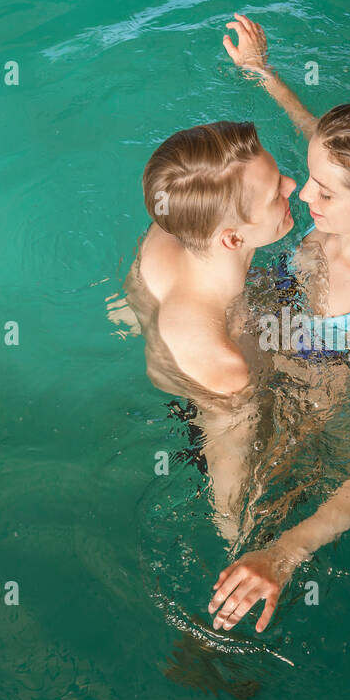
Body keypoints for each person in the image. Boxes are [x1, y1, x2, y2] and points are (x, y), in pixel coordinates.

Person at [208, 13, 350, 633]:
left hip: (315, 387)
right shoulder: (340, 202)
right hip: (269, 329)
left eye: (325, 193)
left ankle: (227, 644)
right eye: (310, 178)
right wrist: (264, 72)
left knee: (246, 521)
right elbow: (316, 133)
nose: (303, 197)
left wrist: (286, 553)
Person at [123, 120, 297, 541]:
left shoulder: (165, 232)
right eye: (277, 192)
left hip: (183, 329)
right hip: (202, 403)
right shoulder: (226, 364)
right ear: (232, 240)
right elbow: (231, 488)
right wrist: (244, 544)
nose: (293, 186)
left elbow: (127, 306)